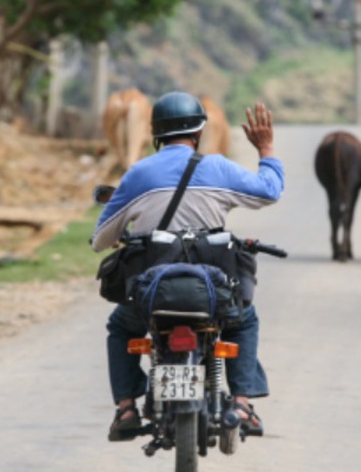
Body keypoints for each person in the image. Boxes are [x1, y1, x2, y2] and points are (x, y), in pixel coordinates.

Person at [91, 91, 284, 441]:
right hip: (213, 294)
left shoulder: (138, 174)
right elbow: (269, 191)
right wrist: (266, 150)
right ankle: (241, 403)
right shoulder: (219, 168)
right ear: (198, 134)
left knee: (122, 327)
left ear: (156, 135)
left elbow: (102, 238)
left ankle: (126, 408)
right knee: (243, 321)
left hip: (151, 296)